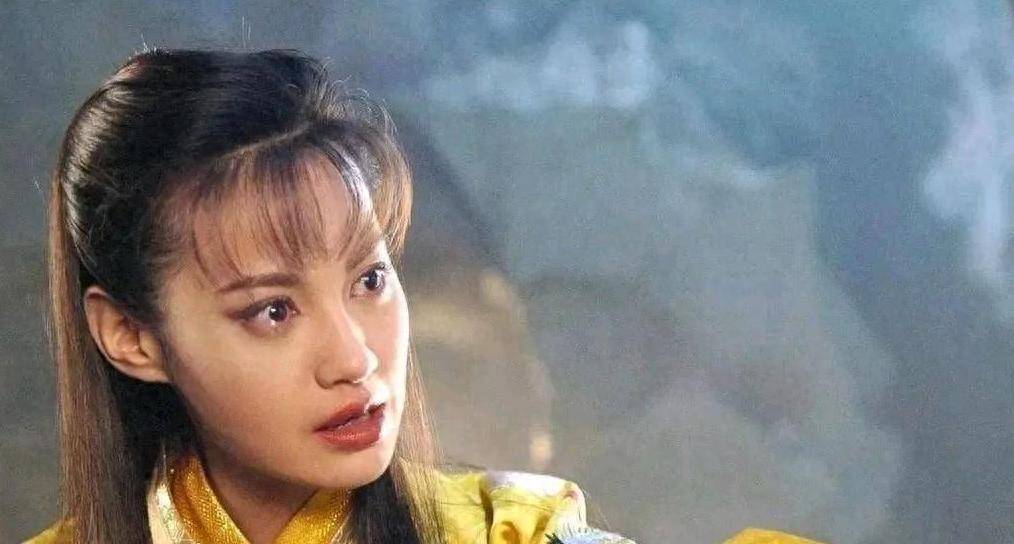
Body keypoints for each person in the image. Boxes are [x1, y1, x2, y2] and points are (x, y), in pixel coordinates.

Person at [24, 48, 819, 544]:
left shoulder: (514, 535)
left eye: (369, 280)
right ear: (131, 336)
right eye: (273, 310)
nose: (355, 358)